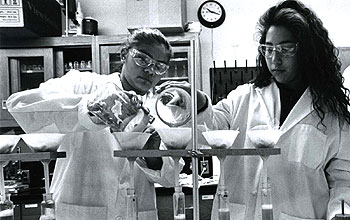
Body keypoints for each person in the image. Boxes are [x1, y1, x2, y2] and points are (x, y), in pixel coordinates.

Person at [159, 0, 350, 219]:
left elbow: (344, 178)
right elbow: (211, 128)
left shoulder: (331, 113)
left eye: (286, 49)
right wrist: (199, 102)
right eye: (268, 49)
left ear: (307, 51)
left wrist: (340, 211)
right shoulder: (244, 97)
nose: (275, 59)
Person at [6, 28, 176, 220]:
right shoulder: (84, 84)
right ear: (123, 55)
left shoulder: (160, 109)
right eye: (142, 59)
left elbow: (172, 178)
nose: (149, 71)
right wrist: (91, 108)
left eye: (159, 67)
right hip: (80, 212)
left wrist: (152, 154)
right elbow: (20, 105)